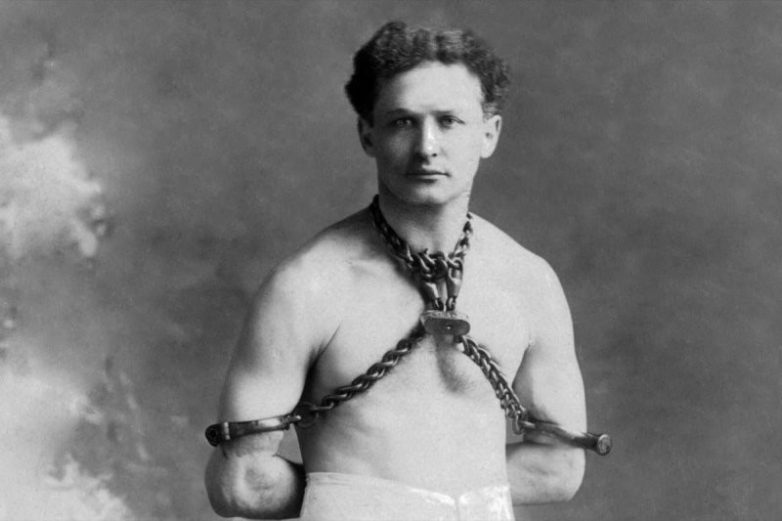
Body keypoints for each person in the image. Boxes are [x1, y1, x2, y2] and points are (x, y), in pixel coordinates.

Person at [204, 21, 599, 521]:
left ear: (488, 134)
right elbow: (240, 483)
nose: (427, 146)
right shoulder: (309, 287)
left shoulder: (528, 283)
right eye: (402, 122)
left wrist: (431, 502)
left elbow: (557, 469)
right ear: (368, 134)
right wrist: (364, 499)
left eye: (449, 121)